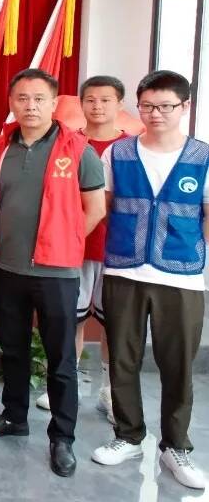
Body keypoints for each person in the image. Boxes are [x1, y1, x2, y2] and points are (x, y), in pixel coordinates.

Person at [0, 68, 106, 478]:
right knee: (13, 348)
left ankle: (62, 437)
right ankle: (14, 415)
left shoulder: (79, 150)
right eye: (22, 98)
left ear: (54, 103)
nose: (30, 106)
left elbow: (95, 209)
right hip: (7, 266)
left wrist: (64, 244)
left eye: (39, 98)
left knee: (60, 357)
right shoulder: (1, 147)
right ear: (12, 103)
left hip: (58, 273)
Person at [91, 71, 207, 489]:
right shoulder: (118, 153)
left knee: (177, 364)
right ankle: (128, 435)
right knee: (123, 357)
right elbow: (103, 207)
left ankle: (176, 446)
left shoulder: (203, 156)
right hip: (124, 268)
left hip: (182, 274)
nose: (156, 114)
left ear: (184, 107)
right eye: (147, 106)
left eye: (165, 106)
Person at [35, 75, 127, 418]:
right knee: (68, 321)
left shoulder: (129, 148)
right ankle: (64, 387)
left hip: (118, 252)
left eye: (105, 100)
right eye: (90, 99)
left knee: (114, 325)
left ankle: (110, 391)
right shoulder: (65, 143)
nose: (97, 106)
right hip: (71, 252)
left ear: (119, 104)